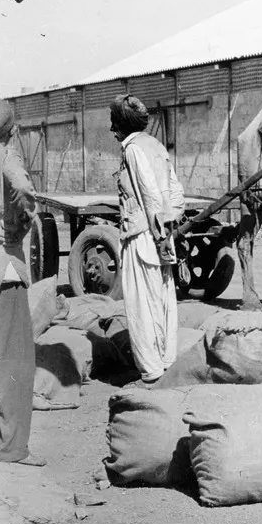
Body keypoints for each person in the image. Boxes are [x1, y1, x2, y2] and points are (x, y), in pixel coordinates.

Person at [110, 94, 185, 384]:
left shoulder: (132, 150)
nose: (112, 129)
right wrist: (168, 227)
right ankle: (167, 360)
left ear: (125, 125)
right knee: (162, 298)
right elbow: (174, 191)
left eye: (114, 123)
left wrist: (157, 234)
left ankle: (151, 369)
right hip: (161, 233)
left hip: (142, 236)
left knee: (141, 302)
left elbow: (149, 193)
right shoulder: (155, 146)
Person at [0, 102, 45, 466]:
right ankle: (12, 447)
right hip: (5, 266)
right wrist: (21, 222)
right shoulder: (6, 156)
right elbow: (23, 189)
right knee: (15, 361)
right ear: (12, 130)